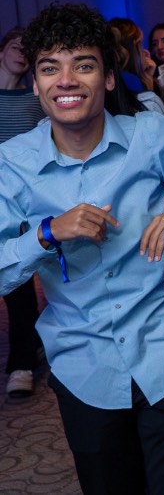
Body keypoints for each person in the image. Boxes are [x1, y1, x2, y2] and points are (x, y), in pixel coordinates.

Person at [0, 3, 164, 494]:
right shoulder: (13, 162)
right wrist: (47, 232)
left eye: (83, 65)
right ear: (36, 85)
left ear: (109, 79)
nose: (65, 80)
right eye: (50, 68)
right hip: (82, 363)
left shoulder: (150, 136)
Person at [0, 28, 46, 398]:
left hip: (27, 195)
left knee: (25, 273)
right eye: (15, 47)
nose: (21, 54)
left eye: (26, 51)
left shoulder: (36, 99)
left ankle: (22, 359)